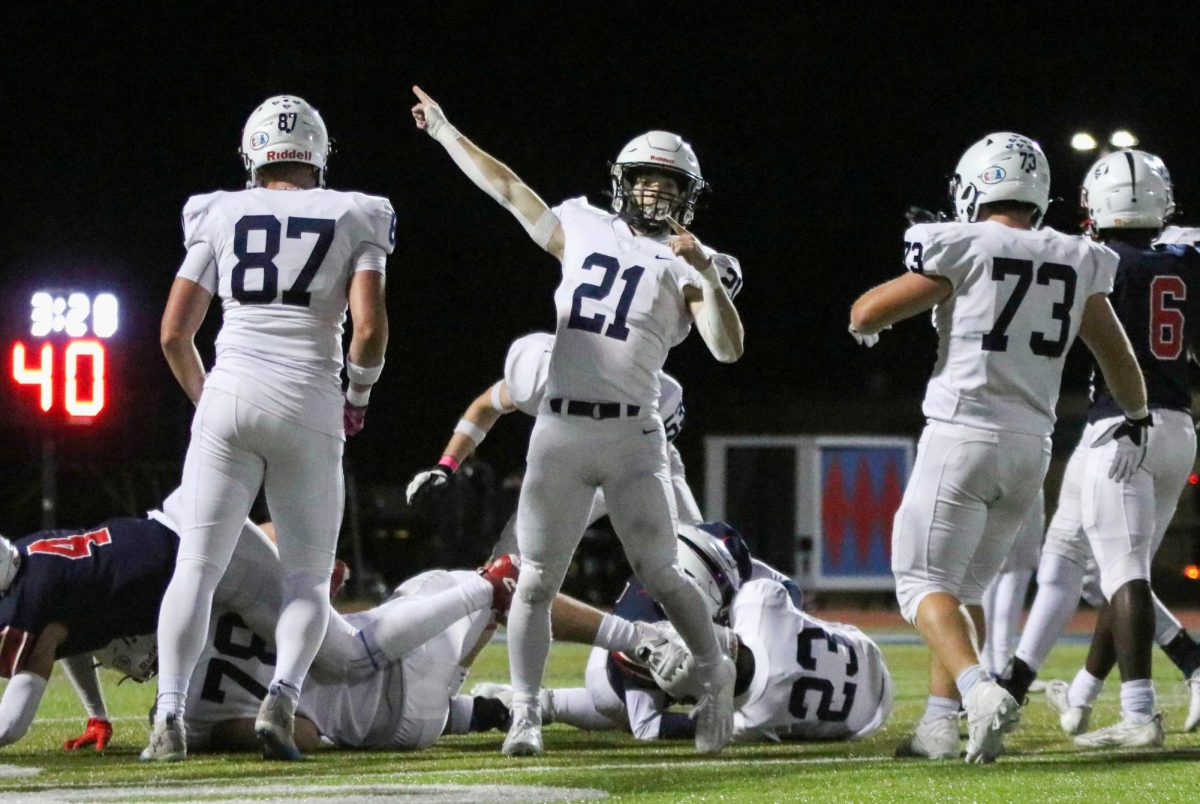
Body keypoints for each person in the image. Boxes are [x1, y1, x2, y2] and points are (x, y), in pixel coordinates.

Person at [412, 86, 744, 756]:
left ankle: (714, 679)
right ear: (623, 184)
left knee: (661, 573)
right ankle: (527, 715)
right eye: (646, 182)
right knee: (533, 580)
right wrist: (447, 133)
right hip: (561, 429)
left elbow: (726, 347)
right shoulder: (584, 226)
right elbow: (508, 189)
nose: (655, 195)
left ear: (688, 196)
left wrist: (704, 272)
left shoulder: (694, 260)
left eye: (668, 185)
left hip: (634, 434)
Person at [849, 132, 1149, 763]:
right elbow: (1116, 356)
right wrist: (1139, 414)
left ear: (976, 184)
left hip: (963, 434)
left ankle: (980, 689)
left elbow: (867, 311)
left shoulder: (961, 245)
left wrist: (875, 322)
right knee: (963, 592)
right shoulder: (1076, 254)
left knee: (919, 583)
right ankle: (938, 725)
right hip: (1030, 448)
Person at [145, 94, 394, 762]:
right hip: (310, 402)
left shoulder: (219, 209)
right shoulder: (357, 211)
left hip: (230, 390)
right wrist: (360, 396)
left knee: (195, 568)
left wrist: (210, 402)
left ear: (253, 154)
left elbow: (174, 333)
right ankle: (280, 700)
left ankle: (168, 715)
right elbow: (368, 328)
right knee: (307, 581)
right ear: (318, 154)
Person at [1004, 149, 1200, 748]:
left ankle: (1140, 712)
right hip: (1178, 429)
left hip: (1121, 425)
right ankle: (1062, 692)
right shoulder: (1188, 257)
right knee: (1089, 562)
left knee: (1122, 574)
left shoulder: (1094, 258)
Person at [0, 496, 281, 751]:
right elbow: (66, 636)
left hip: (184, 557)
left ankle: (318, 550)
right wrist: (97, 716)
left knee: (282, 581)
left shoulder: (29, 603)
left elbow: (11, 724)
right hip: (161, 537)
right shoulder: (27, 562)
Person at [406, 330, 713, 537]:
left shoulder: (651, 392)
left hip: (639, 460)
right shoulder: (536, 379)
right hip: (577, 466)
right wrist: (446, 466)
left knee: (697, 552)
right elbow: (484, 408)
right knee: (513, 560)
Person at [980, 492, 1044, 676]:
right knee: (991, 563)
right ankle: (985, 657)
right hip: (999, 477)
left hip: (1032, 479)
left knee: (1022, 562)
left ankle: (1003, 660)